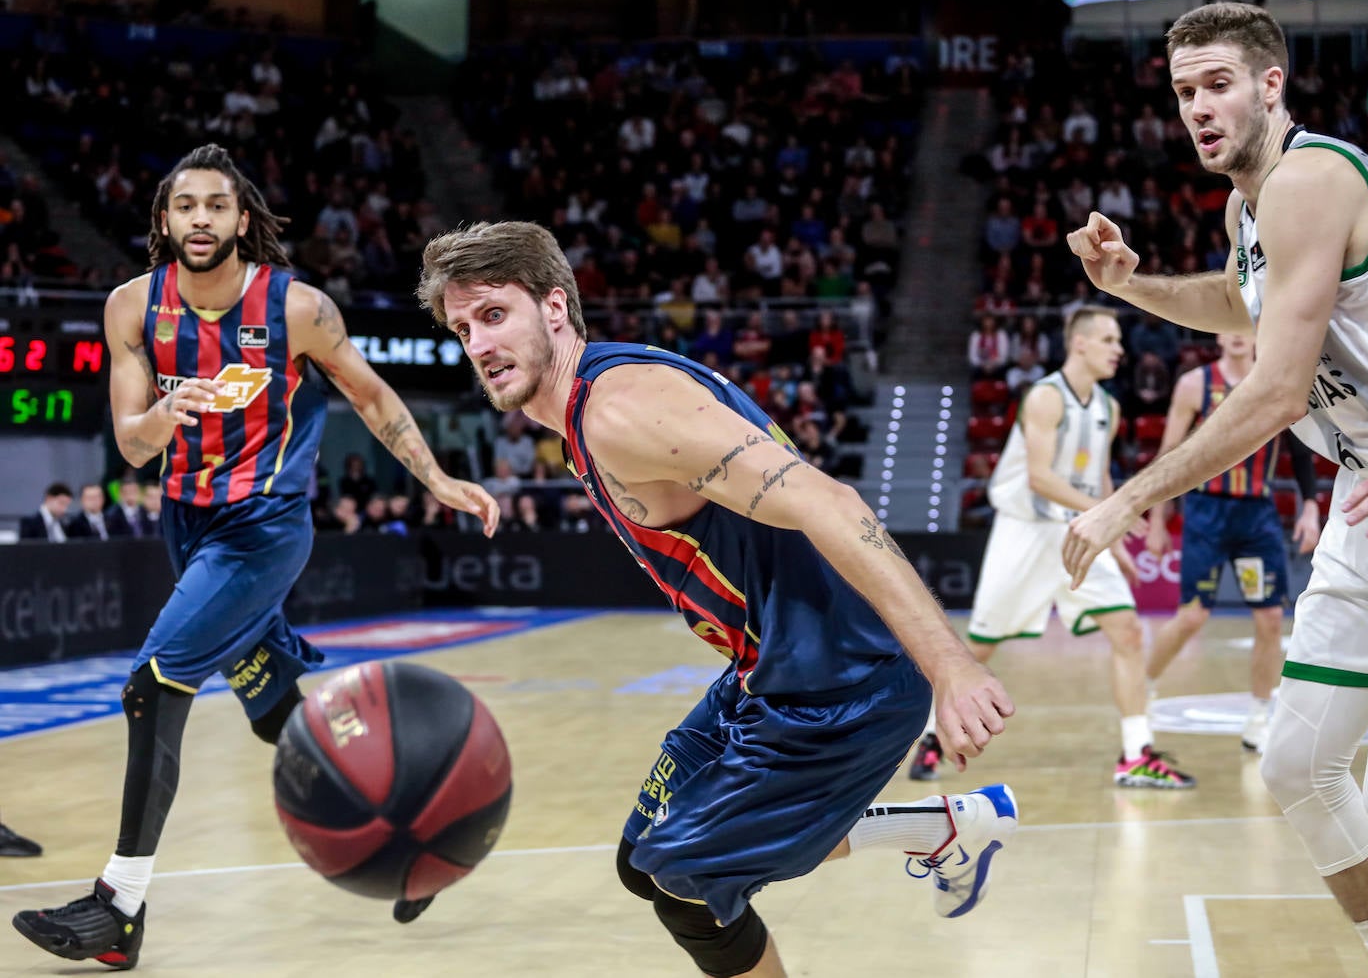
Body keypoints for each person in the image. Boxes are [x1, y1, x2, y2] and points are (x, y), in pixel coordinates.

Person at [420, 220, 1018, 978]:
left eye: (494, 314)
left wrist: (951, 667)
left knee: (689, 889)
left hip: (842, 679)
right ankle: (941, 828)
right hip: (768, 668)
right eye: (462, 325)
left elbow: (826, 499)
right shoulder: (591, 403)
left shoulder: (619, 409)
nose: (477, 341)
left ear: (555, 307)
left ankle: (937, 828)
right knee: (644, 860)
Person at [11, 144, 499, 970]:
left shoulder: (298, 308)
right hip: (187, 525)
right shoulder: (132, 307)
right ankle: (417, 845)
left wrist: (437, 476)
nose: (201, 219)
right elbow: (132, 446)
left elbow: (372, 395)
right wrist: (168, 412)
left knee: (152, 682)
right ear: (164, 219)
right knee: (281, 716)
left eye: (217, 205)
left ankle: (118, 905)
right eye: (185, 205)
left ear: (243, 220)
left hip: (263, 530)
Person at [1063, 3, 1368, 959]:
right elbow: (1237, 297)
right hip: (1362, 483)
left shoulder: (1312, 178)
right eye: (1184, 90)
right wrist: (1131, 287)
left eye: (1217, 84)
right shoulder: (1250, 206)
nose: (1197, 107)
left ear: (1271, 84)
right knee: (1300, 759)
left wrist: (1130, 495)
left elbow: (1277, 386)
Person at [915, 306, 1193, 788]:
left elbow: (1100, 476)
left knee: (1127, 632)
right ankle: (930, 739)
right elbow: (1040, 478)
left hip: (1080, 529)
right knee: (980, 646)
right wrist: (1113, 511)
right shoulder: (1045, 398)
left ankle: (1136, 754)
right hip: (1027, 531)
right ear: (1079, 343)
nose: (1119, 349)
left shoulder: (1109, 407)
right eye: (1109, 339)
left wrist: (1115, 539)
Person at [1143, 332, 1322, 752]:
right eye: (1231, 325)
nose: (1239, 335)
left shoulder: (1276, 382)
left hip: (1256, 517)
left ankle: (1260, 716)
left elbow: (1299, 453)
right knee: (1192, 617)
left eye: (1248, 326)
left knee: (1270, 620)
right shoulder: (1195, 384)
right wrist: (1156, 520)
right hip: (1206, 512)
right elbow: (1168, 455)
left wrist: (1311, 505)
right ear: (1219, 333)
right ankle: (1143, 685)